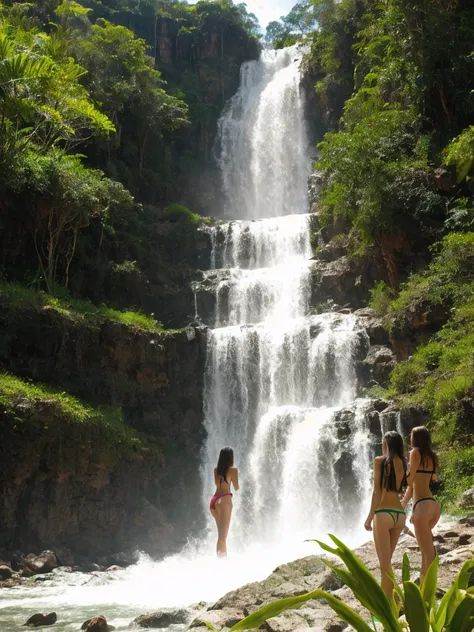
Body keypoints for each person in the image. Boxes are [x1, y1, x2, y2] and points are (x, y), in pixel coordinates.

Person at [364, 431, 407, 599]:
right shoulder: (403, 463)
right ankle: (392, 602)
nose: (382, 446)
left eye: (383, 443)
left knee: (385, 566)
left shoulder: (379, 461)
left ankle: (385, 610)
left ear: (387, 445)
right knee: (387, 562)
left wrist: (369, 517)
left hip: (383, 514)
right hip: (399, 515)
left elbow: (377, 492)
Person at [401, 426, 440, 580]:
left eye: (411, 434)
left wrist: (406, 470)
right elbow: (427, 480)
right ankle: (425, 585)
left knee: (427, 552)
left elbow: (409, 481)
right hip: (432, 505)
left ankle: (428, 589)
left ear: (416, 438)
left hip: (422, 507)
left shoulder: (414, 452)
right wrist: (404, 507)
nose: (409, 436)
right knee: (426, 549)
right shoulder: (433, 456)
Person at [210, 447, 239, 557]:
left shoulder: (215, 470)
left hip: (214, 501)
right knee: (222, 538)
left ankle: (222, 561)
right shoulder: (233, 470)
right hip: (225, 500)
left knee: (221, 538)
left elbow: (218, 484)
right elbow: (236, 487)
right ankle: (222, 564)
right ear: (230, 457)